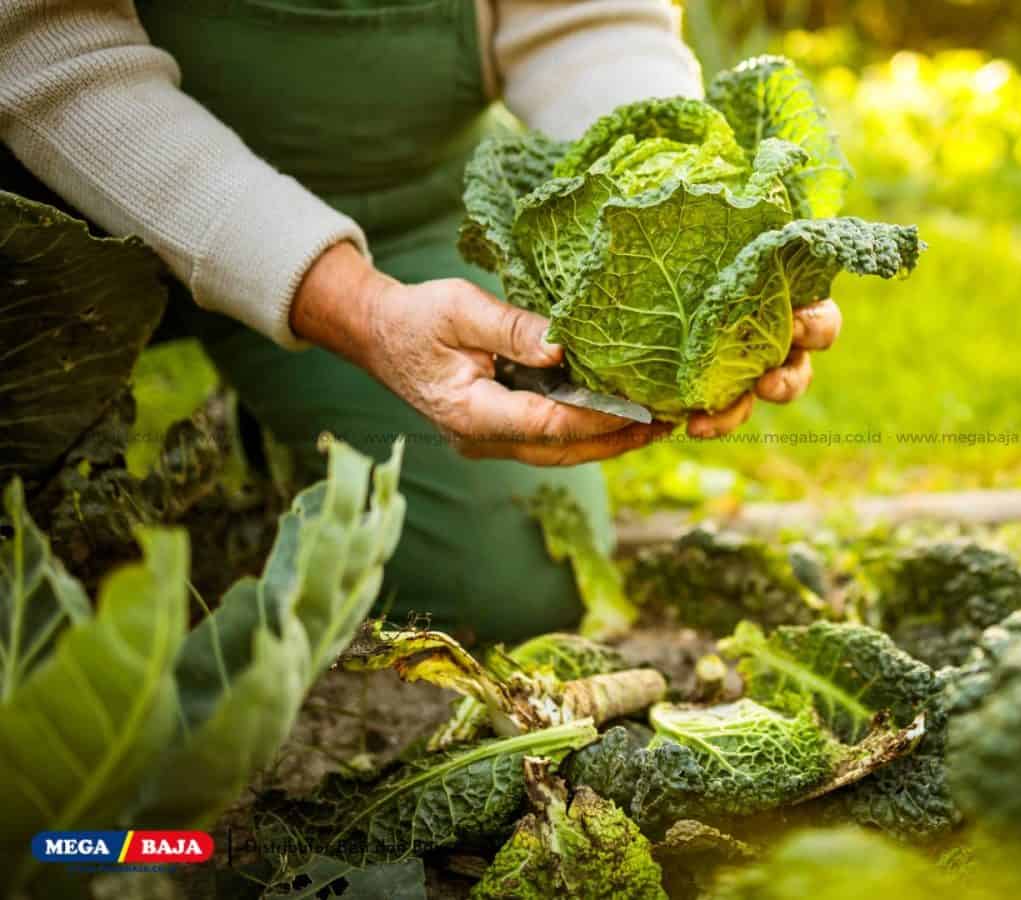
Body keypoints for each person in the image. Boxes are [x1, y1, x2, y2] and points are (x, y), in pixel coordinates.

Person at [0, 1, 843, 641]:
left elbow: (590, 19)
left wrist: (690, 220)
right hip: (61, 203)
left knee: (510, 584)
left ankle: (275, 431)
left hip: (397, 210)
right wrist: (352, 308)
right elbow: (44, 45)